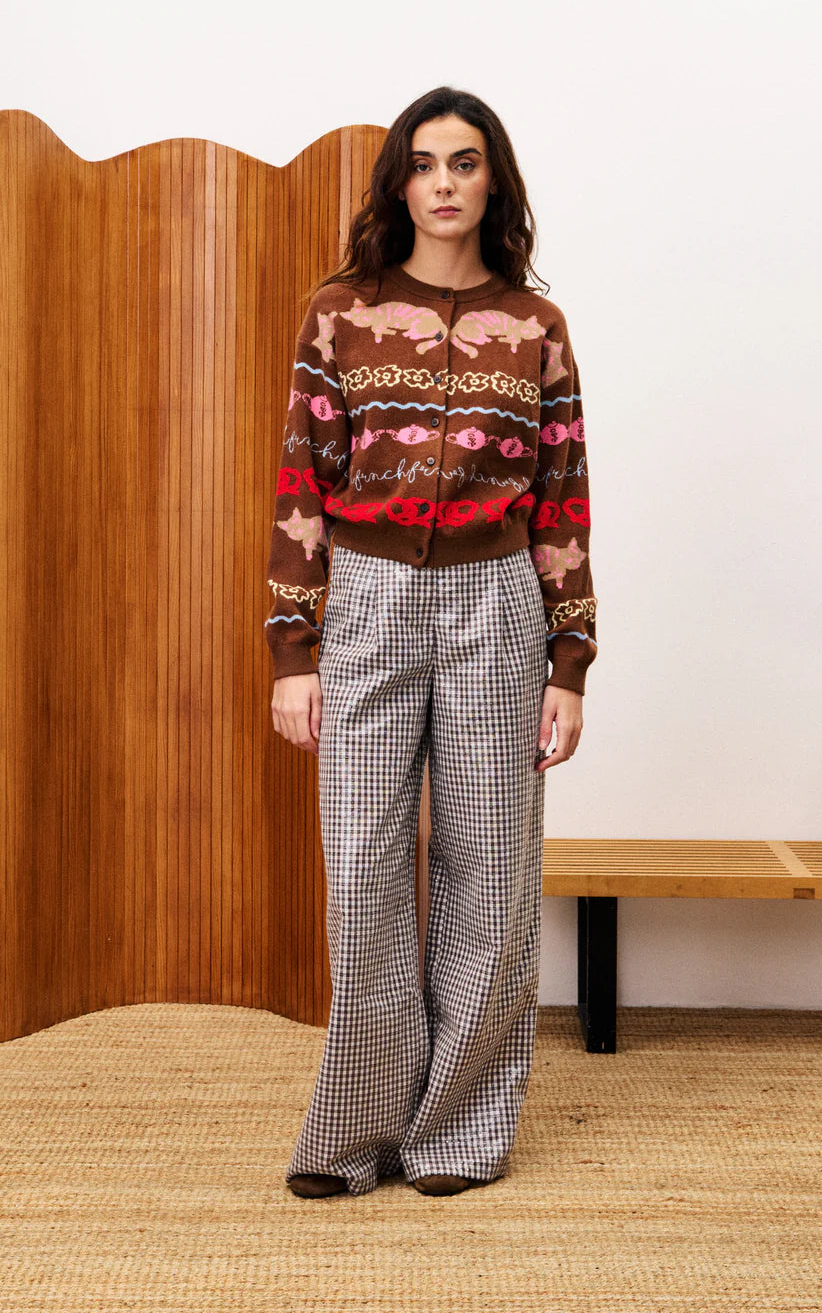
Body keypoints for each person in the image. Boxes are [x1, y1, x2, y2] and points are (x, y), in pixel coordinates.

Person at [265, 85, 597, 1199]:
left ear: (492, 179)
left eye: (465, 162)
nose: (444, 183)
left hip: (499, 605)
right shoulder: (341, 312)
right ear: (398, 183)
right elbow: (301, 482)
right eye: (424, 163)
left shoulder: (536, 327)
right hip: (363, 600)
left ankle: (455, 1136)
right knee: (364, 879)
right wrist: (291, 649)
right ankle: (355, 1139)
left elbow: (562, 498)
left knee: (490, 880)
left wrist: (570, 665)